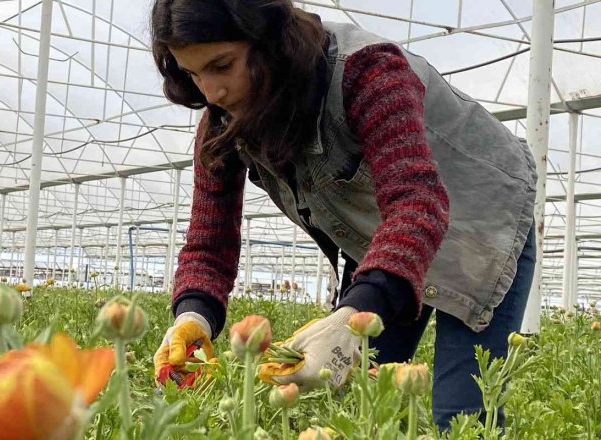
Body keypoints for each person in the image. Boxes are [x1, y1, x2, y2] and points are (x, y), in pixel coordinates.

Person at [149, 0, 537, 430]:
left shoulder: (368, 73)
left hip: (480, 226)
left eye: (222, 65)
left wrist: (353, 315)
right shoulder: (224, 123)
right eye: (192, 73)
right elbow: (210, 242)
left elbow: (415, 202)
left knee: (463, 413)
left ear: (270, 42)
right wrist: (193, 317)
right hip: (384, 240)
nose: (211, 91)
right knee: (366, 401)